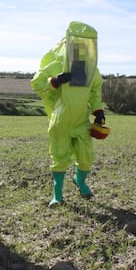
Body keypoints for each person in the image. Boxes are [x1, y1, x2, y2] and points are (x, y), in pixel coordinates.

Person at [30, 21, 106, 207]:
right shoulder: (57, 63)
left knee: (86, 157)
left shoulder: (90, 69)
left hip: (81, 121)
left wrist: (98, 112)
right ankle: (57, 195)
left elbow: (95, 90)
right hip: (61, 121)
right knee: (59, 156)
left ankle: (80, 181)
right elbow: (37, 83)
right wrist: (54, 81)